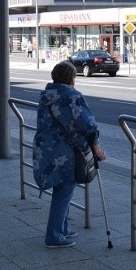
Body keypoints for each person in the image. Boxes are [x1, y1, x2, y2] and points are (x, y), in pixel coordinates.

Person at [33, 61, 106, 248]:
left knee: (61, 189)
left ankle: (63, 227)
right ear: (71, 77)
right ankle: (54, 236)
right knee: (64, 193)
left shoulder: (46, 96)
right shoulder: (73, 96)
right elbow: (88, 125)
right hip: (66, 153)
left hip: (46, 150)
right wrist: (97, 148)